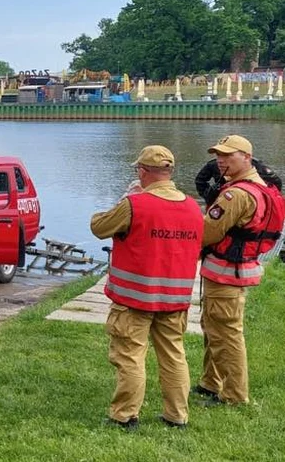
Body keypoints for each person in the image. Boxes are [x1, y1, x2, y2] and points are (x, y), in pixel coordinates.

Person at [89, 145, 204, 430]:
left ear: (142, 171)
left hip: (134, 297)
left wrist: (126, 198)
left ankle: (125, 415)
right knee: (174, 355)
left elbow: (99, 227)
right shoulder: (192, 207)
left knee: (130, 356)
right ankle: (177, 415)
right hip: (175, 298)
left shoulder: (135, 203)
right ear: (169, 172)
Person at [195, 135, 285, 407]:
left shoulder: (236, 194)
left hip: (226, 270)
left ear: (247, 157)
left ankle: (234, 394)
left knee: (226, 333)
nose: (221, 160)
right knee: (213, 326)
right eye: (218, 156)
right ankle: (210, 382)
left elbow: (208, 232)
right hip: (233, 268)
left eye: (228, 155)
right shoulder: (256, 186)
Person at [194, 157, 282, 205]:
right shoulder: (214, 164)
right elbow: (200, 180)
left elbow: (276, 182)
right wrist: (209, 196)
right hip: (221, 200)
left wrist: (262, 199)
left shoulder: (255, 165)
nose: (221, 162)